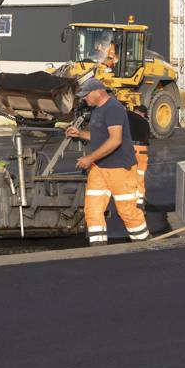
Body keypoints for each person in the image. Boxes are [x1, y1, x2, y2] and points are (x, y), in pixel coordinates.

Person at [66, 78, 149, 245]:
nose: (84, 99)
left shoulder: (114, 109)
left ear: (99, 92)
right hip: (99, 168)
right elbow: (100, 137)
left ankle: (144, 244)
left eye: (86, 95)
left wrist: (89, 158)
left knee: (127, 211)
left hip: (119, 169)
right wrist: (80, 134)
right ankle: (98, 249)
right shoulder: (97, 110)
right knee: (93, 209)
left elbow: (115, 140)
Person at [129, 104, 151, 208]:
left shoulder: (128, 117)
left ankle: (130, 199)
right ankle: (140, 200)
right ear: (143, 113)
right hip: (142, 150)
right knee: (140, 175)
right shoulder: (145, 123)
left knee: (129, 174)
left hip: (130, 148)